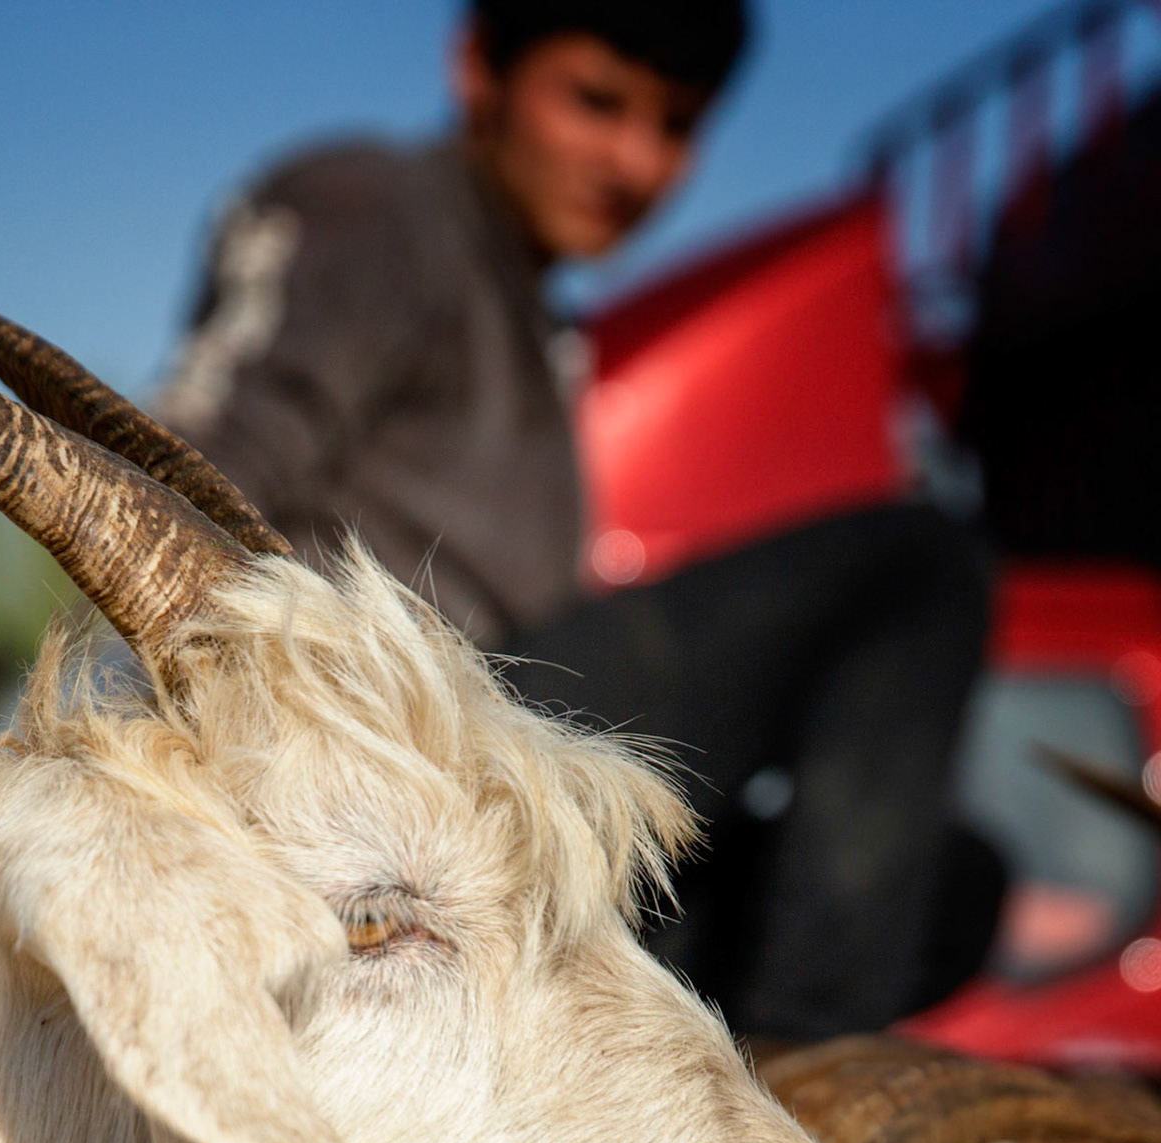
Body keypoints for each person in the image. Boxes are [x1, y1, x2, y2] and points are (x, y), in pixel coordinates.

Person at [159, 0, 995, 1041]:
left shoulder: (536, 313)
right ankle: (810, 1085)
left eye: (677, 126)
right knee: (916, 564)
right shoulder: (375, 204)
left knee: (959, 881)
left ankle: (654, 1057)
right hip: (394, 753)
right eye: (596, 102)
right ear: (479, 70)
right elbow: (181, 481)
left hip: (510, 771)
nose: (635, 160)